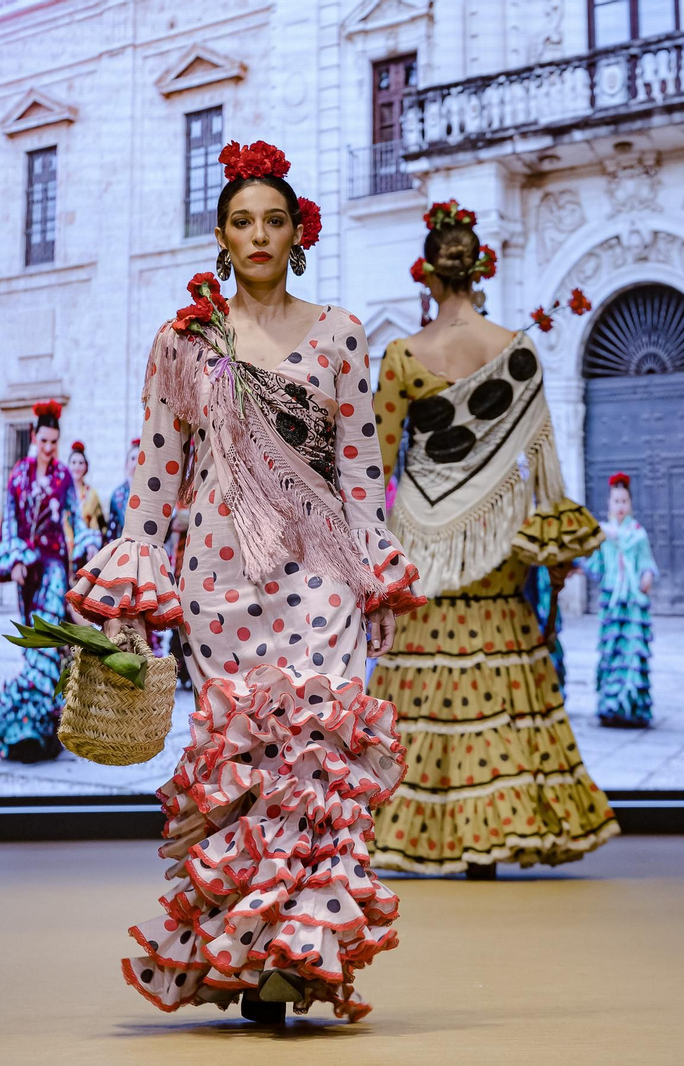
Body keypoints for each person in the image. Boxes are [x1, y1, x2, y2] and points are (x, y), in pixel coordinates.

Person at [65, 140, 422, 1024]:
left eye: (273, 220)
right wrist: (134, 585)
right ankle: (246, 950)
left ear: (298, 232)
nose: (258, 234)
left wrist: (375, 576)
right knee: (242, 762)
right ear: (221, 236)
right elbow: (156, 473)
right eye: (241, 221)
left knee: (318, 753)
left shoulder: (340, 334)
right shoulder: (185, 341)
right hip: (219, 580)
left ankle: (297, 957)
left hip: (324, 572)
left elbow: (359, 468)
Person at [363, 200, 616, 879]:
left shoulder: (401, 356)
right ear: (480, 272)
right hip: (497, 544)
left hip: (423, 541)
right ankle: (495, 836)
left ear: (426, 275)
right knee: (500, 664)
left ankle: (426, 836)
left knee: (421, 680)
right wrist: (554, 553)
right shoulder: (517, 351)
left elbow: (378, 464)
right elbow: (543, 467)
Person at [0, 400, 97, 762]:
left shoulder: (63, 476)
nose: (49, 447)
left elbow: (76, 519)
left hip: (52, 567)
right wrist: (14, 561)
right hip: (27, 573)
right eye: (44, 440)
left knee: (45, 638)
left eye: (54, 441)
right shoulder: (18, 475)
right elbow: (9, 522)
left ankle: (31, 723)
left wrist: (88, 546)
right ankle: (38, 720)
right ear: (34, 437)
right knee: (31, 641)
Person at [580, 472, 658, 728]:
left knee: (632, 651)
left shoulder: (638, 534)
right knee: (612, 650)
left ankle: (632, 707)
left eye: (624, 501)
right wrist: (576, 564)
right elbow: (596, 565)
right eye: (616, 501)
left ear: (630, 504)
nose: (620, 506)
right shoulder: (604, 535)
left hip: (633, 602)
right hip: (612, 601)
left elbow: (646, 561)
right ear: (609, 504)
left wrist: (647, 575)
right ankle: (610, 706)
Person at [67, 441, 108, 561]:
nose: (77, 467)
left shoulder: (92, 494)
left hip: (87, 548)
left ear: (86, 467)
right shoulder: (63, 493)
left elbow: (99, 522)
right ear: (68, 465)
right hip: (66, 543)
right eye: (73, 462)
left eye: (81, 463)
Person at [106, 438, 140, 540]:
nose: (136, 463)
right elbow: (112, 529)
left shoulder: (152, 493)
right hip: (122, 545)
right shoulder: (117, 495)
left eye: (139, 458)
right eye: (133, 458)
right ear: (126, 464)